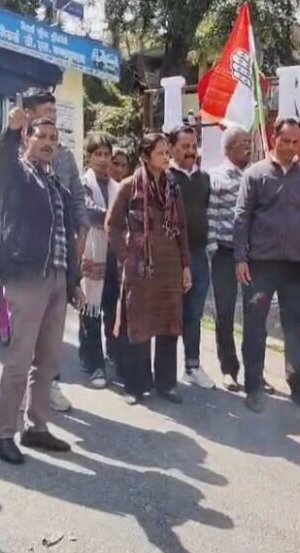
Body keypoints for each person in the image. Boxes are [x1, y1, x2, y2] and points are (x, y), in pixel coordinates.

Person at [0, 108, 82, 465]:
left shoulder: (56, 183)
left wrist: (74, 281)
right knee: (19, 360)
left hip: (57, 278)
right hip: (27, 277)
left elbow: (67, 236)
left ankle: (36, 427)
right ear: (28, 139)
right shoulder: (19, 174)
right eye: (42, 137)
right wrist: (10, 131)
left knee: (49, 360)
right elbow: (3, 162)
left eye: (54, 140)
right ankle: (3, 433)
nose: (49, 144)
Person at [234, 118, 300, 414]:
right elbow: (241, 218)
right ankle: (254, 387)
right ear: (274, 138)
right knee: (255, 327)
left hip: (297, 266)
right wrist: (240, 258)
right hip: (260, 265)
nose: (290, 147)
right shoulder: (255, 174)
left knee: (295, 328)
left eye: (296, 143)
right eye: (285, 141)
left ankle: (299, 390)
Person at [107, 132, 192, 405]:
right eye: (161, 152)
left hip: (169, 266)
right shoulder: (129, 186)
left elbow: (181, 231)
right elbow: (112, 225)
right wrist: (125, 255)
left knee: (169, 326)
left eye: (168, 151)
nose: (167, 156)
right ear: (145, 156)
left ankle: (166, 384)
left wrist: (186, 266)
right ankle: (135, 385)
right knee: (140, 325)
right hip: (140, 267)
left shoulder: (173, 187)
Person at [19, 91, 85, 413]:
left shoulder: (64, 156)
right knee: (25, 333)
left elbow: (76, 199)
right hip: (25, 261)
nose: (53, 119)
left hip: (58, 255)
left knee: (50, 336)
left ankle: (48, 389)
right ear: (28, 115)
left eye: (55, 114)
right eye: (46, 112)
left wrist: (82, 232)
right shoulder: (12, 155)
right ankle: (19, 394)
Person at [168, 125, 215, 390]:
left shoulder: (204, 178)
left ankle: (193, 366)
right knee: (170, 313)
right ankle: (165, 372)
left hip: (198, 255)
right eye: (184, 146)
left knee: (193, 314)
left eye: (193, 146)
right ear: (172, 147)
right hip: (171, 256)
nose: (190, 151)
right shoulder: (165, 177)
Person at [207, 125, 252, 391]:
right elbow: (210, 215)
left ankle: (254, 371)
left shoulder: (257, 175)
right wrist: (213, 250)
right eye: (242, 142)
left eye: (249, 141)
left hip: (252, 255)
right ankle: (228, 369)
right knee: (224, 313)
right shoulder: (217, 177)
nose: (248, 145)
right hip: (224, 254)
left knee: (253, 315)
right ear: (228, 147)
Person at [77, 132, 121, 389]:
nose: (103, 160)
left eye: (107, 154)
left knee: (112, 309)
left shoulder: (117, 186)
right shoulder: (83, 183)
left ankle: (113, 356)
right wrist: (117, 219)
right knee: (89, 311)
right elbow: (90, 213)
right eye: (98, 155)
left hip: (114, 256)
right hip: (91, 251)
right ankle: (94, 365)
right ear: (89, 157)